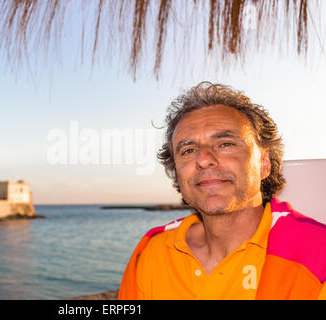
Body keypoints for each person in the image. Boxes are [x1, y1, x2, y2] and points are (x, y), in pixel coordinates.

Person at [119, 82, 326, 300]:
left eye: (225, 144)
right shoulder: (153, 254)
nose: (204, 159)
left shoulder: (317, 256)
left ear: (264, 163)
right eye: (188, 150)